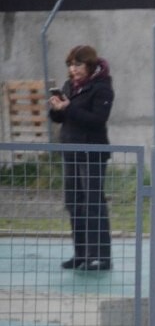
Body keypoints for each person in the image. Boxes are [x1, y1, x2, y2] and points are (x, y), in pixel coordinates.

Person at [48, 44, 115, 271]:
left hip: (92, 153)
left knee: (93, 203)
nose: (73, 69)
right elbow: (61, 119)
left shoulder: (102, 88)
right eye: (70, 65)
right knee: (74, 203)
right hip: (71, 151)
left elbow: (97, 119)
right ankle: (81, 254)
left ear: (89, 65)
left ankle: (101, 256)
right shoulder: (70, 86)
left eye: (78, 64)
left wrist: (69, 108)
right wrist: (56, 108)